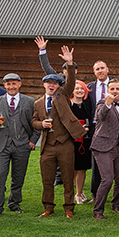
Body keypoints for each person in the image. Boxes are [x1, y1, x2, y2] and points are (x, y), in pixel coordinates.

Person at [32, 46, 86, 218]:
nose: (51, 85)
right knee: (47, 180)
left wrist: (70, 63)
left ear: (58, 86)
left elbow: (70, 82)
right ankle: (48, 207)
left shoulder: (62, 95)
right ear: (44, 85)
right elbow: (33, 121)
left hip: (65, 144)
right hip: (47, 145)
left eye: (54, 83)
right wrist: (42, 124)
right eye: (49, 83)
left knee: (68, 178)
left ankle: (69, 208)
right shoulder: (38, 103)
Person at [0, 73, 37, 217]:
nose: (11, 87)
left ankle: (14, 203)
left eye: (14, 83)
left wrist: (32, 140)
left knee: (18, 176)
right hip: (1, 145)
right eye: (8, 84)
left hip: (22, 145)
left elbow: (36, 123)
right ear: (5, 85)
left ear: (20, 84)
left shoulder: (29, 102)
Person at [91, 80, 119, 219]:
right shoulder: (102, 103)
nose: (114, 91)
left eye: (117, 89)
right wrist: (107, 103)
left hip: (116, 147)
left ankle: (116, 204)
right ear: (108, 91)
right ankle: (98, 211)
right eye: (112, 88)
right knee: (107, 179)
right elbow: (100, 116)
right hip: (102, 147)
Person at [67, 80, 93, 205]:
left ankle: (79, 193)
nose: (79, 91)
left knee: (82, 168)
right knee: (73, 167)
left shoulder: (87, 103)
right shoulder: (68, 104)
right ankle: (77, 190)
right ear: (72, 90)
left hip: (85, 140)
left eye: (82, 89)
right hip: (71, 140)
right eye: (77, 88)